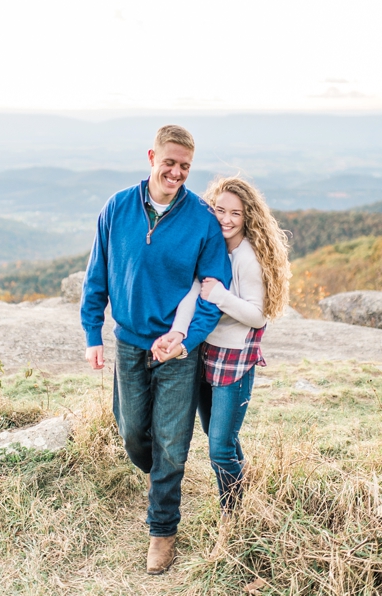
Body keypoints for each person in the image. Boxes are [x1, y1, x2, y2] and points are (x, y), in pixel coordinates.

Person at [80, 124, 232, 575]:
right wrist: (93, 335)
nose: (177, 173)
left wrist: (185, 338)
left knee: (172, 444)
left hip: (178, 352)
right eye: (170, 163)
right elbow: (96, 278)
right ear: (152, 157)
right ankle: (158, 480)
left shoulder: (202, 220)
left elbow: (213, 292)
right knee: (132, 434)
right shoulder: (117, 208)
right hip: (128, 342)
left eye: (185, 166)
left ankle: (162, 529)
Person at [156, 176, 290, 557]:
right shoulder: (209, 245)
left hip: (234, 360)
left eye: (236, 213)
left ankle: (233, 518)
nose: (227, 219)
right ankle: (239, 497)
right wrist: (179, 334)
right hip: (203, 355)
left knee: (218, 449)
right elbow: (192, 292)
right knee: (222, 440)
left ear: (248, 217)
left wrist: (220, 295)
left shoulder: (247, 257)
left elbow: (258, 315)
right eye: (221, 210)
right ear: (210, 208)